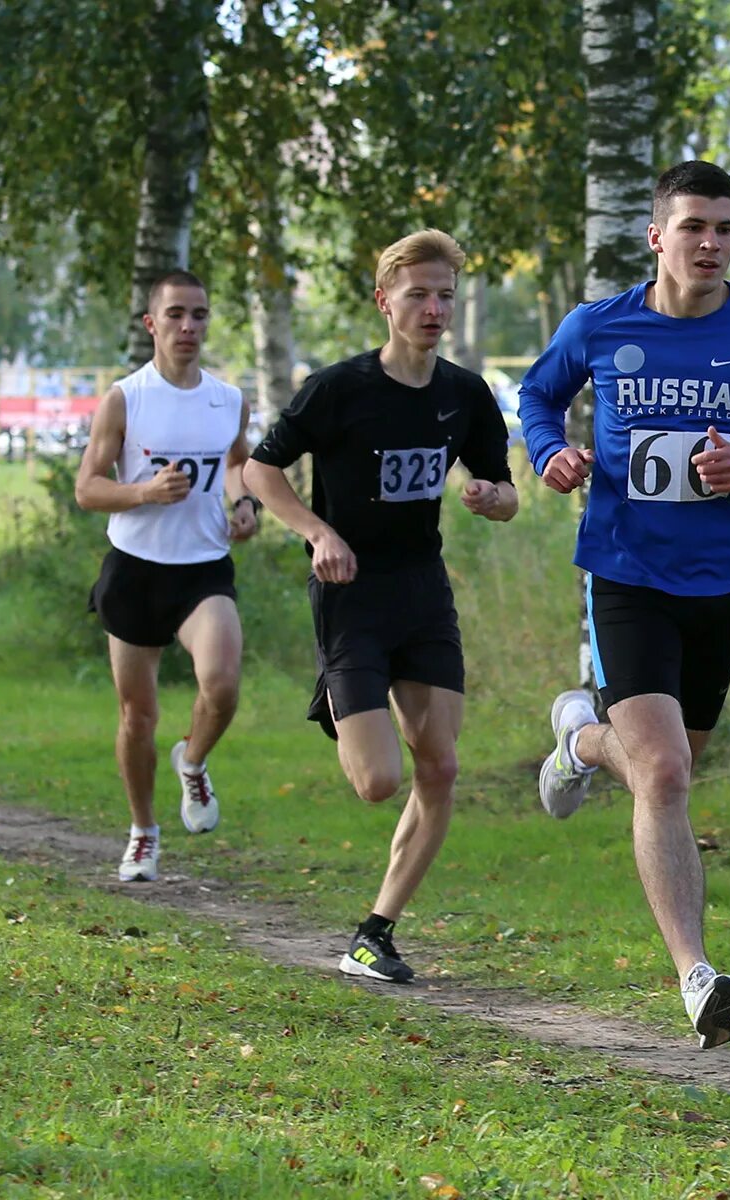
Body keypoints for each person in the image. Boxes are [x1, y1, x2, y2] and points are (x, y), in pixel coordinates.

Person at [519, 160, 730, 1049]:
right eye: (694, 226)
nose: (710, 243)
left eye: (725, 229)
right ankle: (696, 975)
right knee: (662, 775)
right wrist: (551, 453)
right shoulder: (600, 325)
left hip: (718, 585)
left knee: (677, 767)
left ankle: (580, 737)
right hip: (622, 573)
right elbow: (537, 397)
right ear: (656, 235)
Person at [243, 230, 518, 984]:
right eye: (418, 295)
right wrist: (316, 531)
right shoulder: (339, 390)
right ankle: (339, 696)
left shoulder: (465, 394)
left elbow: (507, 494)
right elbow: (260, 470)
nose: (434, 310)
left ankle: (375, 933)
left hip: (422, 592)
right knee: (377, 782)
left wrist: (493, 496)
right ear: (384, 302)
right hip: (349, 595)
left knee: (442, 766)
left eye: (445, 297)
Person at [75, 270, 257, 883]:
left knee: (223, 684)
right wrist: (144, 491)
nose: (189, 327)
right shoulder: (127, 398)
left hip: (202, 570)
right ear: (152, 323)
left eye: (199, 314)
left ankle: (195, 761)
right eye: (176, 314)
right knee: (138, 717)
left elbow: (237, 463)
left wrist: (243, 504)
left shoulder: (228, 399)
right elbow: (88, 488)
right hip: (134, 572)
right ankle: (143, 833)